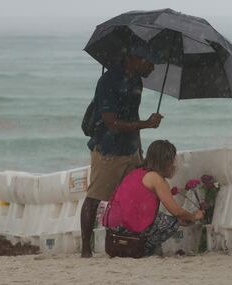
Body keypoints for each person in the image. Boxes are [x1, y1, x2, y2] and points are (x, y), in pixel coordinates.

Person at [81, 49, 163, 257]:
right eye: (150, 62)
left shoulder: (137, 81)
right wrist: (146, 124)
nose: (152, 68)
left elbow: (131, 116)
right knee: (95, 197)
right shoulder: (109, 80)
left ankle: (131, 242)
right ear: (134, 58)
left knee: (136, 196)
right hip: (108, 149)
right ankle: (85, 248)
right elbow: (111, 122)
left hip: (131, 149)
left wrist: (138, 146)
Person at [103, 140, 204, 256]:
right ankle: (144, 248)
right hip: (126, 227)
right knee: (172, 223)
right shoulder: (157, 179)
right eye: (172, 161)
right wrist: (194, 216)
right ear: (166, 162)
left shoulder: (137, 172)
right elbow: (176, 211)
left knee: (162, 218)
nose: (174, 165)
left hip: (113, 227)